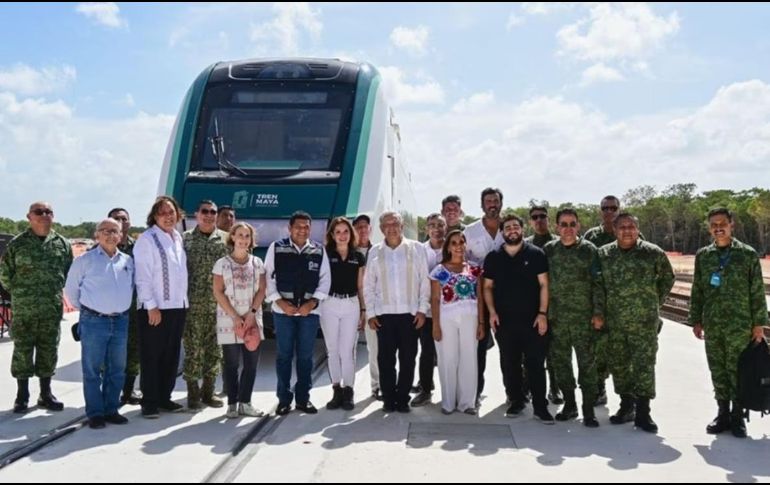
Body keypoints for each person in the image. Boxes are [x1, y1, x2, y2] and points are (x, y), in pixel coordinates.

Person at [690, 207, 768, 438]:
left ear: (732, 224)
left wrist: (758, 325)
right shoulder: (704, 255)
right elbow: (698, 290)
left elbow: (756, 291)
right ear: (709, 228)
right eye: (713, 225)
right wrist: (695, 319)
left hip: (740, 325)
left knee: (738, 371)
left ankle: (737, 416)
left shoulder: (747, 254)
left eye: (722, 223)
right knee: (718, 370)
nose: (718, 228)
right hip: (713, 324)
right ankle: (722, 413)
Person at [593, 212, 674, 433]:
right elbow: (598, 286)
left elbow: (668, 277)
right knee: (619, 365)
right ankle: (626, 405)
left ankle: (644, 412)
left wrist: (654, 300)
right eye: (622, 227)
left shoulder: (651, 252)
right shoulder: (605, 254)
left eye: (631, 227)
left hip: (644, 322)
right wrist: (599, 313)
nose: (626, 231)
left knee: (644, 366)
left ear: (637, 230)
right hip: (615, 322)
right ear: (615, 229)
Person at [0, 201, 72, 413]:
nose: (44, 215)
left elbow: (67, 271)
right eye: (38, 212)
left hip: (50, 309)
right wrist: (22, 293)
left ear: (53, 216)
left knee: (49, 350)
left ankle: (46, 393)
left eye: (48, 211)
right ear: (29, 216)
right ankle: (22, 396)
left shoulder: (62, 244)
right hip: (24, 310)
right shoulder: (17, 244)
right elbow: (5, 274)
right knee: (22, 351)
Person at [483, 214, 553, 424]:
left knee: (535, 365)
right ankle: (516, 401)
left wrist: (542, 314)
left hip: (532, 320)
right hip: (505, 322)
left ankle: (540, 407)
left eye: (516, 226)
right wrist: (492, 312)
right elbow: (487, 287)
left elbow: (544, 285)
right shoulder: (493, 257)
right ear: (503, 232)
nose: (512, 230)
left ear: (522, 229)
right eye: (508, 227)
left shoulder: (536, 254)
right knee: (509, 364)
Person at [65, 218, 134, 429]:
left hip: (121, 321)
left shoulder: (128, 261)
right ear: (97, 235)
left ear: (121, 236)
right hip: (94, 321)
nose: (110, 234)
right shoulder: (84, 260)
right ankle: (95, 413)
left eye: (114, 231)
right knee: (92, 369)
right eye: (104, 231)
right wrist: (89, 310)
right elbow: (71, 291)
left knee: (117, 369)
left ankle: (111, 409)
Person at [264, 211, 331, 416]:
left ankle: (303, 399)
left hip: (308, 314)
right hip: (282, 312)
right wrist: (280, 302)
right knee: (284, 356)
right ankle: (284, 400)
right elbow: (267, 277)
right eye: (298, 226)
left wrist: (312, 303)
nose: (302, 230)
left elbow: (325, 280)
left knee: (305, 357)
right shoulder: (276, 248)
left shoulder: (319, 250)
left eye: (306, 227)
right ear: (290, 228)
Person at [364, 211, 430, 413]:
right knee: (385, 360)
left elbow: (424, 281)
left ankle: (402, 399)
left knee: (408, 358)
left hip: (409, 314)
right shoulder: (375, 251)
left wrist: (421, 310)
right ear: (382, 228)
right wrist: (371, 314)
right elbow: (369, 285)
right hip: (384, 315)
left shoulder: (416, 248)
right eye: (387, 224)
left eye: (395, 223)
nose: (391, 227)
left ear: (402, 226)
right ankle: (388, 399)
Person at [543, 208, 599, 427]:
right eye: (563, 224)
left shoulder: (589, 251)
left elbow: (597, 284)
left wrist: (598, 312)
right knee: (561, 364)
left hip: (583, 320)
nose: (568, 229)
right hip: (557, 318)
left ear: (579, 226)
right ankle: (570, 404)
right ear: (557, 227)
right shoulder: (549, 250)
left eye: (572, 224)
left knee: (587, 365)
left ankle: (588, 409)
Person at [134, 196, 189, 419]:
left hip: (177, 305)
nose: (168, 216)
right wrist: (151, 306)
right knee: (152, 355)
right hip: (155, 308)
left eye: (171, 212)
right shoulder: (147, 240)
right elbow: (143, 277)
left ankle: (164, 397)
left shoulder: (177, 237)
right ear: (154, 216)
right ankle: (149, 401)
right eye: (163, 213)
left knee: (171, 354)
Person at [212, 222, 267, 418]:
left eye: (247, 236)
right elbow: (218, 292)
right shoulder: (222, 263)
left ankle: (246, 402)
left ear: (251, 240)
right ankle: (232, 404)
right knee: (231, 364)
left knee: (251, 364)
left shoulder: (257, 263)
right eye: (240, 235)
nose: (244, 239)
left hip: (252, 320)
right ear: (233, 237)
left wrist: (251, 313)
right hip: (229, 320)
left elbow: (262, 290)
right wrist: (235, 316)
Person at [429, 230, 484, 415]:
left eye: (461, 242)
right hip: (447, 318)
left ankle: (467, 403)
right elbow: (435, 300)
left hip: (470, 317)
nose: (458, 246)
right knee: (448, 358)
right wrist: (435, 325)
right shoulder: (440, 270)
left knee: (469, 358)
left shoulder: (474, 269)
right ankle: (448, 403)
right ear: (448, 247)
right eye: (454, 242)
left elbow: (480, 297)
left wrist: (481, 323)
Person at [183, 200, 229, 411]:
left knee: (215, 351)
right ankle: (193, 393)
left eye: (213, 212)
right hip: (192, 306)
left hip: (219, 306)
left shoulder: (226, 240)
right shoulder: (184, 240)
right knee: (193, 350)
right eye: (205, 211)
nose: (209, 215)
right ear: (196, 214)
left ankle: (208, 392)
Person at [464, 187, 504, 409]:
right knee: (477, 349)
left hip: (506, 298)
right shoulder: (470, 232)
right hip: (477, 298)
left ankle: (515, 394)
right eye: (488, 201)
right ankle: (476, 392)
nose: (492, 204)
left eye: (496, 201)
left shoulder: (509, 229)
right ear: (482, 205)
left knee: (509, 348)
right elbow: (464, 264)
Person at [320, 217, 366, 411]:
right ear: (332, 235)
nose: (342, 235)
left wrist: (363, 309)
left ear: (351, 233)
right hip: (329, 304)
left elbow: (360, 285)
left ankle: (349, 390)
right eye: (337, 232)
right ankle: (336, 389)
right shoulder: (325, 254)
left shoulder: (358, 256)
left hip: (351, 304)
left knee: (348, 351)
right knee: (333, 350)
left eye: (345, 231)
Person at [583, 195, 621, 406]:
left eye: (613, 208)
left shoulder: (629, 231)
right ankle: (599, 388)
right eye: (605, 208)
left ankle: (628, 397)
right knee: (596, 349)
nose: (609, 212)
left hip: (621, 303)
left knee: (621, 352)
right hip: (596, 302)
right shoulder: (592, 236)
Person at [525, 205, 562, 405]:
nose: (539, 220)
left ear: (549, 220)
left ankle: (555, 389)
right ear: (530, 221)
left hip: (555, 304)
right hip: (531, 304)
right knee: (529, 351)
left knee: (554, 351)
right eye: (535, 217)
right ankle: (528, 387)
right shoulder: (525, 245)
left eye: (543, 217)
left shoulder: (558, 243)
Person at [107, 208, 142, 406]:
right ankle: (109, 393)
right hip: (107, 312)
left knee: (133, 351)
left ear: (129, 223)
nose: (120, 221)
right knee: (109, 354)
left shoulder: (139, 249)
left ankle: (129, 391)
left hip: (134, 310)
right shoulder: (98, 250)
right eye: (116, 218)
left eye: (124, 219)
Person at [411, 213, 446, 407]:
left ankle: (452, 390)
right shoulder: (418, 250)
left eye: (440, 225)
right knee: (426, 351)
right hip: (425, 310)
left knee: (448, 353)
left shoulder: (454, 248)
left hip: (449, 310)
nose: (436, 229)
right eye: (432, 225)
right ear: (426, 229)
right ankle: (425, 389)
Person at [353, 214, 381, 400]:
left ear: (370, 229)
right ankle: (345, 389)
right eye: (359, 227)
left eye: (365, 227)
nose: (362, 230)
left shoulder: (378, 251)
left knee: (375, 348)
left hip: (372, 307)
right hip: (350, 305)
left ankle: (377, 385)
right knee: (347, 350)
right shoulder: (348, 251)